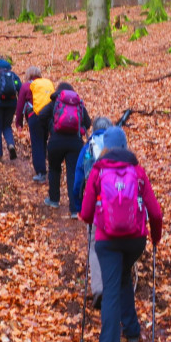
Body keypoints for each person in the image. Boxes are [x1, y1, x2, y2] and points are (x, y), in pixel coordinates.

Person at [80, 126, 162, 342]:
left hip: (107, 240)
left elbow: (85, 214)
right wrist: (155, 238)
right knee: (123, 274)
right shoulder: (137, 171)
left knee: (111, 289)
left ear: (105, 146)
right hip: (135, 240)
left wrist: (96, 217)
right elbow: (155, 212)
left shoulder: (97, 171)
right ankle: (133, 331)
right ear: (125, 146)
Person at [72, 116, 113, 308]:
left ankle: (98, 288)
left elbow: (79, 178)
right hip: (121, 206)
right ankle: (118, 288)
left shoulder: (88, 147)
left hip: (97, 205)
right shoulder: (119, 146)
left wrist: (79, 206)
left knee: (95, 245)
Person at [38, 82, 91, 216]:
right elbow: (88, 122)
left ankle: (54, 200)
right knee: (73, 173)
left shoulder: (55, 102)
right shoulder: (78, 104)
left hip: (56, 141)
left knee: (54, 169)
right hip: (75, 142)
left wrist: (52, 127)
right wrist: (80, 128)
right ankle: (74, 209)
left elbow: (41, 116)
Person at [15, 66, 54, 183]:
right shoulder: (46, 85)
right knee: (43, 142)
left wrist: (19, 123)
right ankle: (47, 168)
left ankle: (41, 172)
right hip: (48, 117)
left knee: (36, 144)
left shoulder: (26, 86)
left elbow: (20, 106)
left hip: (34, 118)